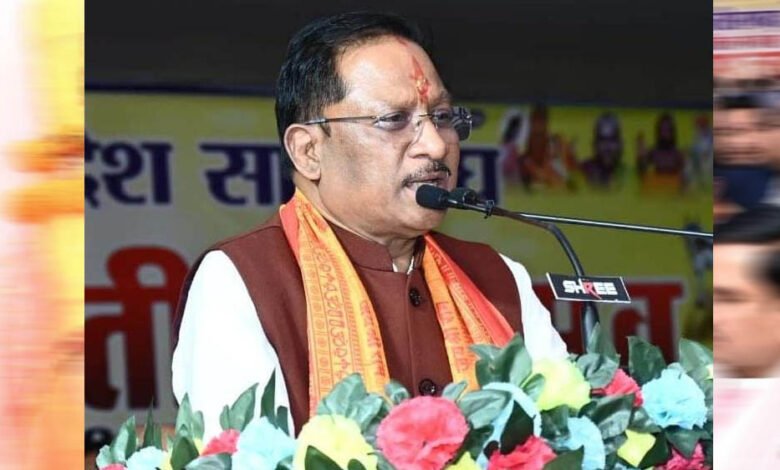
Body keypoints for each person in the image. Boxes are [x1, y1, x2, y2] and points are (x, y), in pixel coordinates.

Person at [171, 12, 567, 438]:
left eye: (442, 117)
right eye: (394, 120)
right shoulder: (243, 279)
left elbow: (564, 440)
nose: (436, 146)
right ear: (308, 151)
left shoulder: (497, 279)